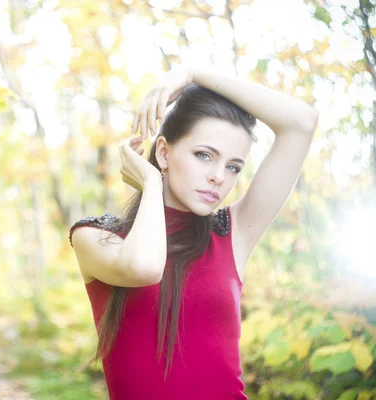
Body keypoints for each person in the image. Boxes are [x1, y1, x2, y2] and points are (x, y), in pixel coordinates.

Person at [69, 63, 319, 399]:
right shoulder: (97, 237)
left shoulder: (232, 234)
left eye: (233, 166)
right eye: (204, 155)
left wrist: (193, 72)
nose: (219, 176)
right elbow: (144, 268)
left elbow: (301, 123)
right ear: (163, 152)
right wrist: (151, 183)